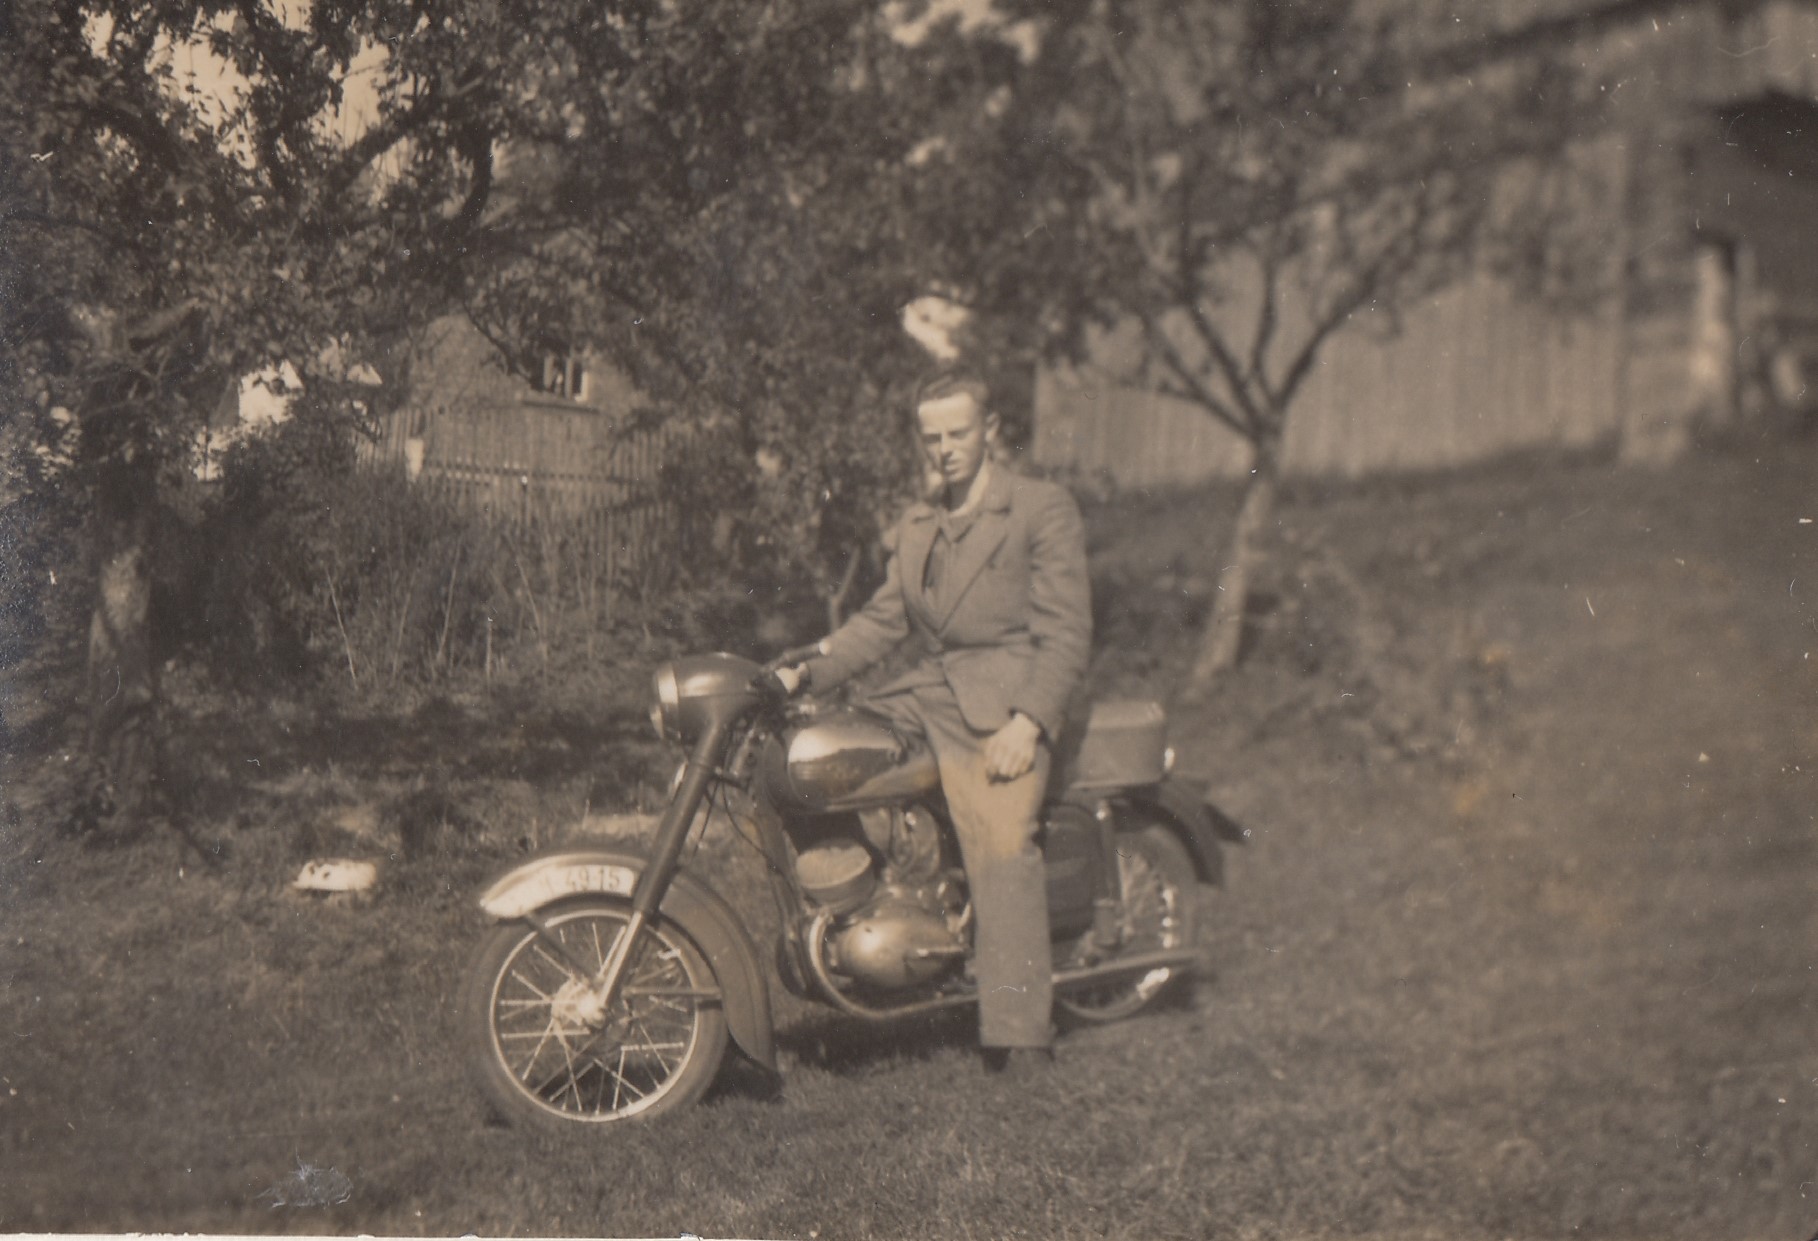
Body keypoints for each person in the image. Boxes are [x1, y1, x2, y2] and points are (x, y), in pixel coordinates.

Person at [779, 371, 1092, 1070]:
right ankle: (871, 925)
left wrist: (1028, 723)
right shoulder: (920, 523)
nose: (945, 449)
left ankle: (1020, 1030)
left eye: (958, 432)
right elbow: (882, 621)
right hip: (926, 692)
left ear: (991, 430)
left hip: (1004, 700)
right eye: (932, 438)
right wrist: (806, 669)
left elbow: (1067, 633)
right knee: (816, 761)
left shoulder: (1039, 509)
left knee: (1003, 842)